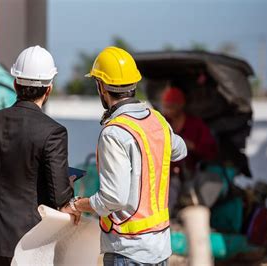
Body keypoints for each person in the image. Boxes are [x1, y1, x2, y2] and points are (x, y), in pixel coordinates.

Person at [70, 47, 187, 265]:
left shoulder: (114, 132)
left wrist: (77, 205)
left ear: (101, 86)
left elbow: (113, 198)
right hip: (160, 248)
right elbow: (180, 150)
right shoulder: (157, 120)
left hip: (129, 252)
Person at [0, 45, 78, 266]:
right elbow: (60, 196)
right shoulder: (53, 132)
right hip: (32, 242)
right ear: (49, 89)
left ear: (15, 83)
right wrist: (69, 182)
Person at [160, 86, 218, 173]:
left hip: (195, 171)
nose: (168, 111)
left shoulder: (195, 124)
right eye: (165, 107)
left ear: (181, 105)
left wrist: (192, 146)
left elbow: (211, 151)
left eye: (171, 107)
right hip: (169, 173)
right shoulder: (163, 122)